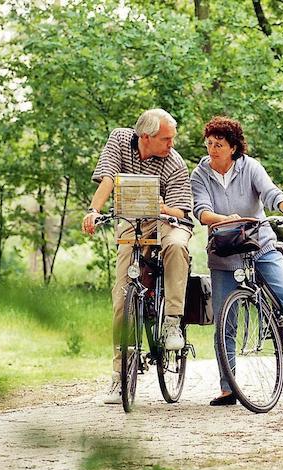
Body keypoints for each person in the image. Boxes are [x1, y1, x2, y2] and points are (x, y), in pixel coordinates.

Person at [191, 116, 283, 406]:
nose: (212, 149)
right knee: (224, 322)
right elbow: (201, 211)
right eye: (209, 143)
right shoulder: (200, 173)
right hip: (224, 251)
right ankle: (229, 388)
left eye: (219, 144)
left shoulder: (249, 167)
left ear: (233, 147)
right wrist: (224, 219)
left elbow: (271, 194)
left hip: (260, 244)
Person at [82, 109, 193, 405]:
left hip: (168, 221)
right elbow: (108, 178)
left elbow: (183, 211)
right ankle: (120, 377)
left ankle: (171, 320)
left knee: (177, 246)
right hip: (132, 220)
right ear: (146, 136)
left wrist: (163, 208)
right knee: (122, 298)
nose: (172, 143)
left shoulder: (174, 162)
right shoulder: (119, 140)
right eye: (166, 139)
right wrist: (94, 210)